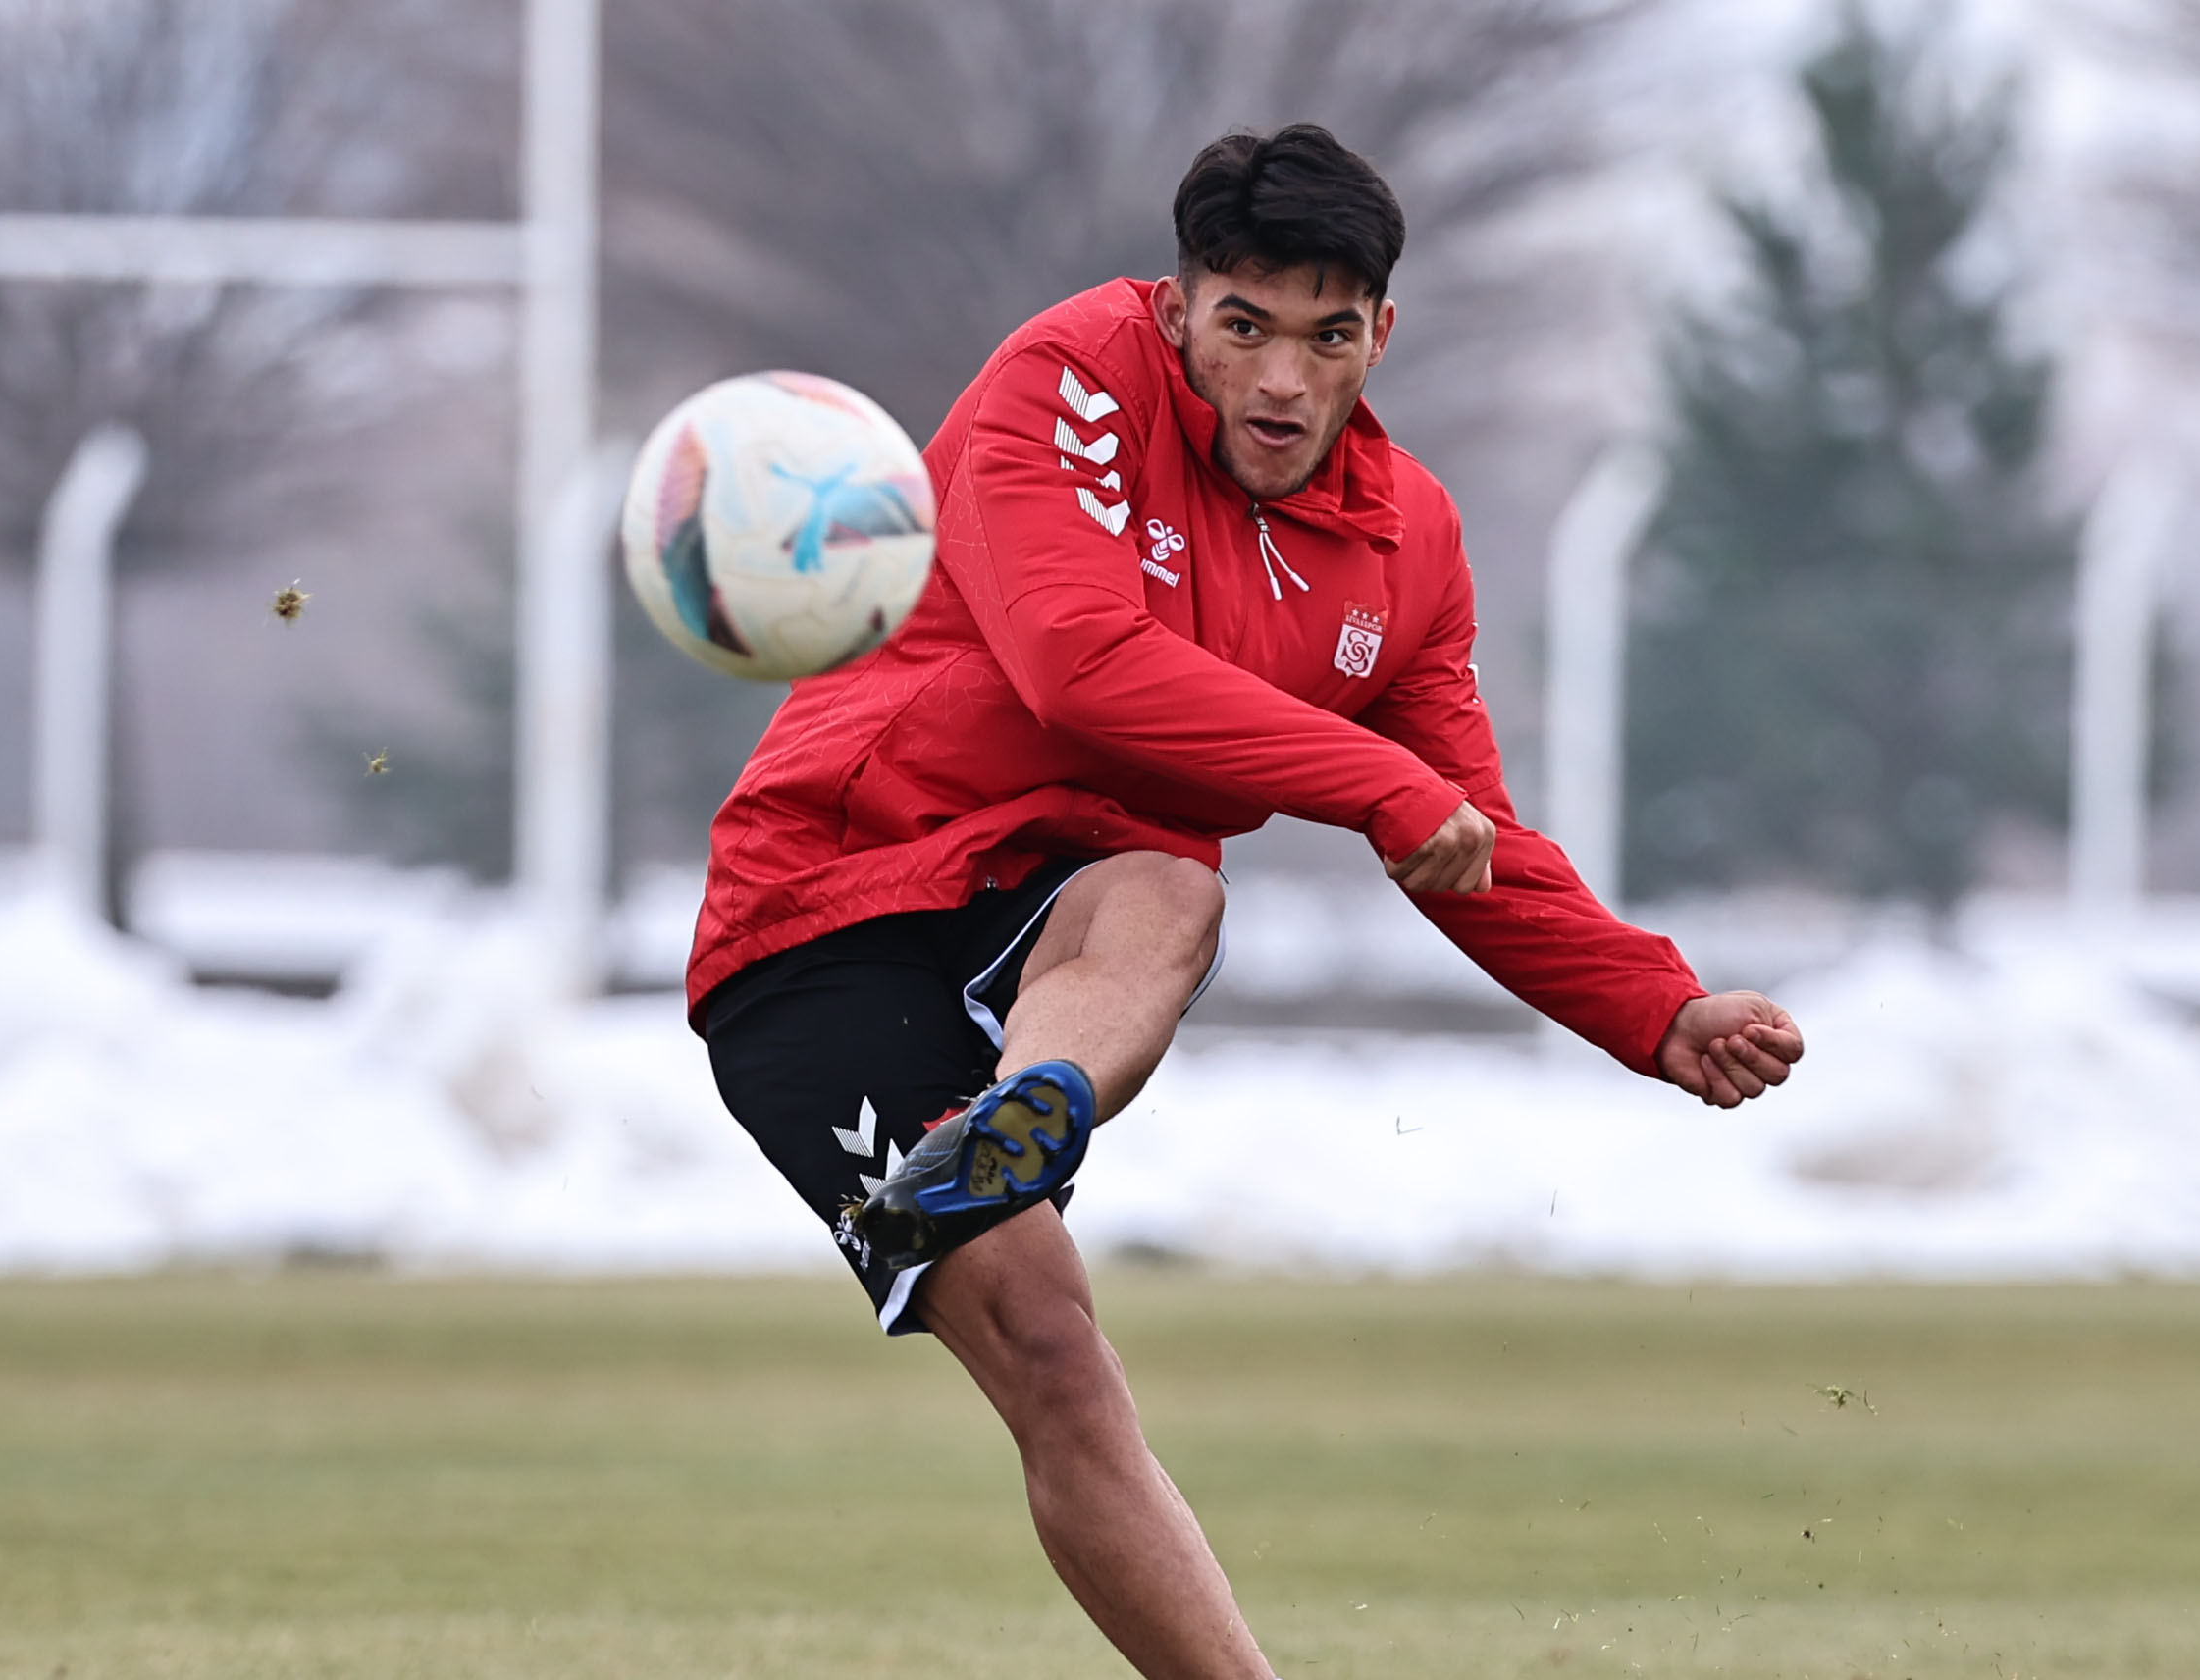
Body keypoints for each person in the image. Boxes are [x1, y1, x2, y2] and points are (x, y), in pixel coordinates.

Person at [692, 122, 1806, 1680]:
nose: (1283, 380)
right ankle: (999, 1144)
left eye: (1327, 336)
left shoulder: (1406, 541)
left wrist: (1655, 1002)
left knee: (1167, 902)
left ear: (1381, 338)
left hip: (1071, 928)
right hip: (834, 907)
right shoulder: (1067, 377)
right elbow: (1079, 669)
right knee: (1062, 1345)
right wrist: (1371, 782)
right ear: (1176, 309)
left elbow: (1465, 838)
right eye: (1245, 327)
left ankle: (1018, 1126)